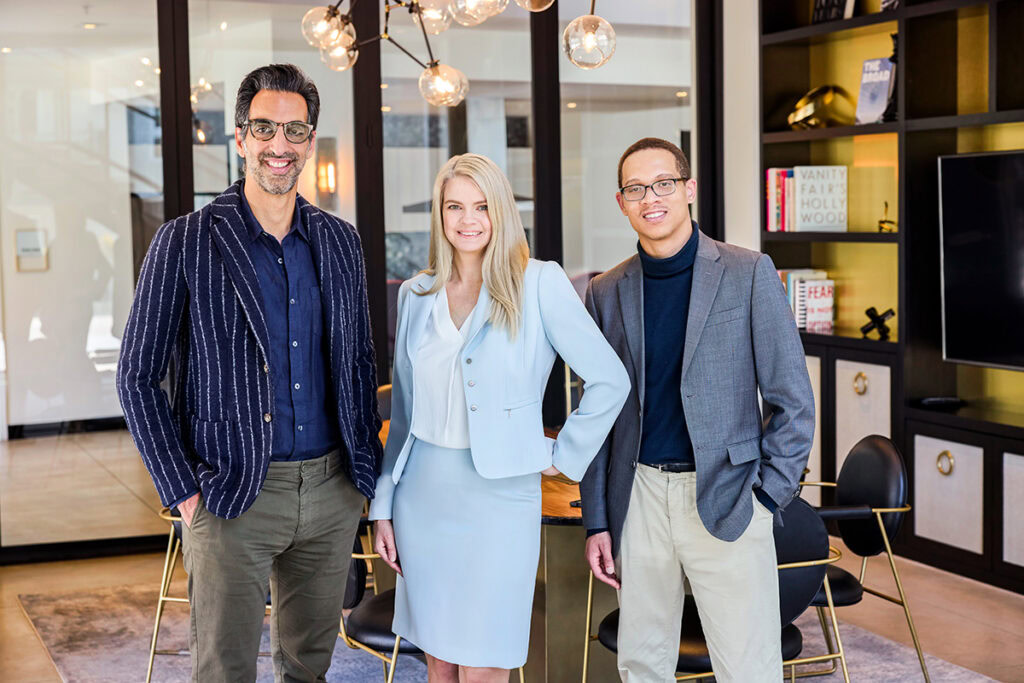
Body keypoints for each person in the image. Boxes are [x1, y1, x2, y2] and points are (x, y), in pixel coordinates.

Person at [116, 64, 381, 682]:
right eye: (264, 128)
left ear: (310, 140)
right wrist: (183, 491)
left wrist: (361, 479)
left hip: (331, 489)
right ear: (240, 138)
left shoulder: (341, 242)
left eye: (294, 130)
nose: (279, 145)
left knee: (309, 667)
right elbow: (136, 377)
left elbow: (361, 362)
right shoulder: (184, 241)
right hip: (229, 494)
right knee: (224, 670)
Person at [368, 153, 629, 682]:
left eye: (482, 206)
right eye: (455, 206)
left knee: (485, 664)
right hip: (422, 496)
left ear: (501, 211)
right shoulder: (416, 296)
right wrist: (383, 504)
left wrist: (561, 457)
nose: (468, 219)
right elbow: (405, 414)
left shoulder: (538, 283)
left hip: (499, 499)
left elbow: (610, 379)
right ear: (440, 216)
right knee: (439, 660)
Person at [579, 137, 814, 683]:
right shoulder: (606, 292)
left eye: (663, 184)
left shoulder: (748, 272)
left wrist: (767, 495)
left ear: (688, 190)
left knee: (748, 665)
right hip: (637, 497)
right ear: (621, 202)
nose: (650, 198)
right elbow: (598, 418)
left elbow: (793, 402)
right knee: (642, 661)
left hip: (730, 493)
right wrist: (597, 520)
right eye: (635, 189)